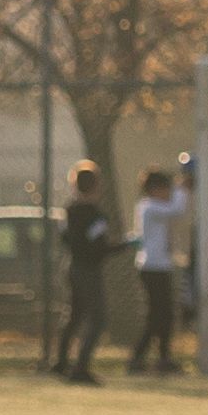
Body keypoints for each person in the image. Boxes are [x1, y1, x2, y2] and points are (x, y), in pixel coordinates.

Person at [50, 159, 117, 384]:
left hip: (72, 268)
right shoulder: (96, 216)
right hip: (88, 270)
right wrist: (125, 245)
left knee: (75, 316)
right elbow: (100, 248)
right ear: (97, 185)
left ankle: (60, 363)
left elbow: (66, 239)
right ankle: (81, 367)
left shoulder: (68, 211)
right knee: (97, 319)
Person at [129, 163, 191, 375]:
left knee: (164, 316)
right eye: (166, 189)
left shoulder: (152, 207)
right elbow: (177, 210)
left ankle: (162, 359)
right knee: (157, 316)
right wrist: (183, 188)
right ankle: (138, 358)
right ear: (155, 189)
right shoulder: (148, 207)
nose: (169, 194)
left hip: (160, 266)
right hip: (152, 267)